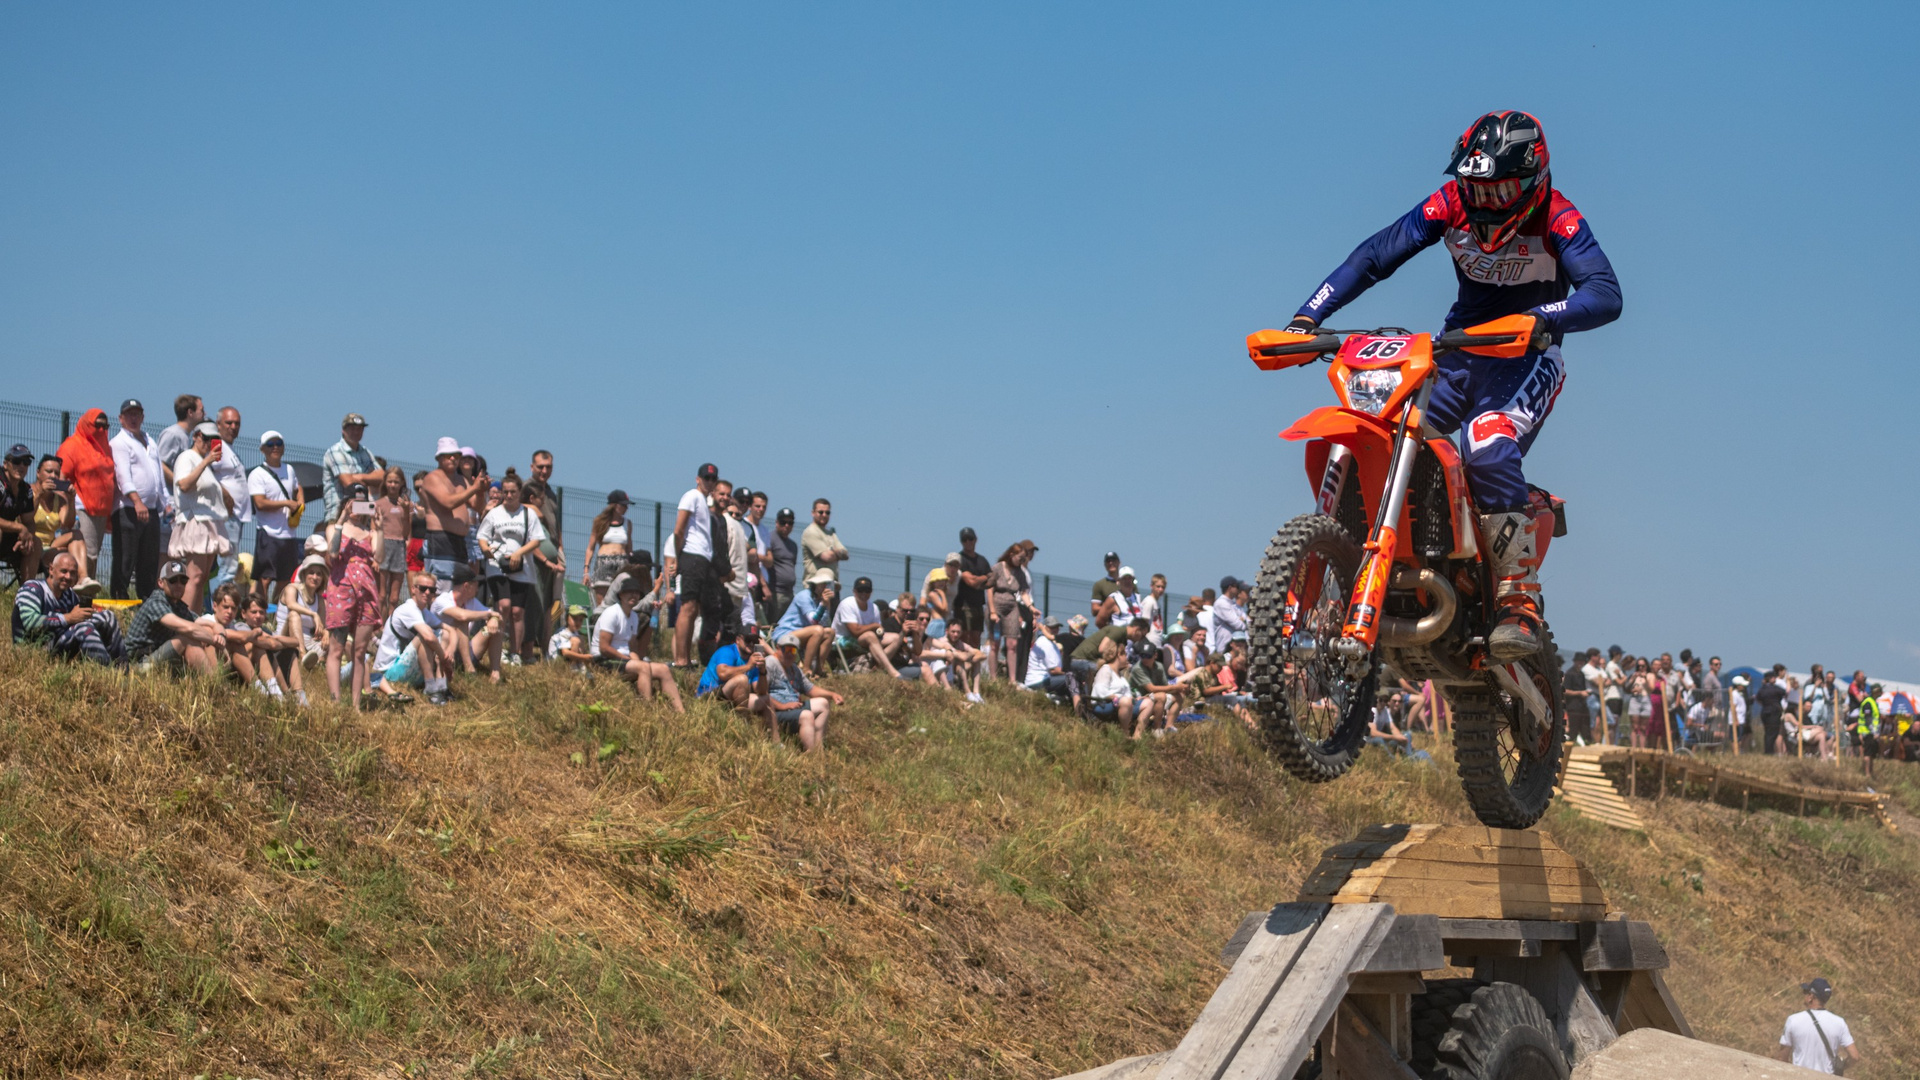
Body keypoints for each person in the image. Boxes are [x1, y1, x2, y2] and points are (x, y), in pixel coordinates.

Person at [1284, 112, 1621, 660]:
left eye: (1500, 189)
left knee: (1486, 440)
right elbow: (1374, 256)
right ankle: (1368, 569)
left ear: (1533, 180)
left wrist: (1543, 318)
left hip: (1527, 357)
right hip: (1457, 353)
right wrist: (1306, 317)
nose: (1486, 201)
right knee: (1385, 434)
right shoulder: (1449, 204)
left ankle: (1519, 598)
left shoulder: (1558, 217)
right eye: (1477, 186)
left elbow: (1605, 293)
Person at [476, 472, 557, 665]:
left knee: (517, 612)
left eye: (513, 492)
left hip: (521, 568)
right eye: (505, 492)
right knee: (503, 606)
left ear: (519, 492)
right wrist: (486, 549)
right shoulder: (495, 513)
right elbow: (482, 536)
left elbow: (536, 539)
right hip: (497, 565)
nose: (509, 495)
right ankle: (498, 649)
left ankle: (514, 652)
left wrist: (519, 553)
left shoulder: (528, 514)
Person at [323, 493, 386, 709]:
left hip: (366, 591)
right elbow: (333, 553)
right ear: (346, 503)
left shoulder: (370, 533)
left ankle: (356, 705)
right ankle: (335, 703)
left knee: (360, 651)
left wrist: (380, 529)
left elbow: (379, 557)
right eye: (355, 502)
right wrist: (341, 520)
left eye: (363, 503)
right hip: (341, 588)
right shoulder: (333, 527)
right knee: (336, 648)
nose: (359, 507)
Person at [167, 421, 236, 613]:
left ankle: (194, 617)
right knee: (195, 575)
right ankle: (186, 618)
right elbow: (184, 484)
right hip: (195, 519)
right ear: (196, 436)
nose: (209, 443)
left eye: (214, 439)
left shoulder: (204, 463)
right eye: (206, 438)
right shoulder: (187, 457)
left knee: (202, 577)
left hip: (208, 521)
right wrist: (207, 461)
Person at [11, 551, 124, 665]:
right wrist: (68, 618)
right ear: (51, 569)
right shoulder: (32, 588)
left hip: (59, 642)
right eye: (64, 571)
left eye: (73, 573)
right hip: (35, 649)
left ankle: (122, 667)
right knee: (84, 628)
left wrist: (86, 615)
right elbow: (30, 622)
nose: (68, 577)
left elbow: (76, 620)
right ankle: (104, 668)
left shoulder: (69, 594)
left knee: (108, 616)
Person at [593, 575, 686, 710]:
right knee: (643, 667)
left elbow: (633, 648)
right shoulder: (612, 613)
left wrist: (636, 660)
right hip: (603, 660)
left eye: (636, 593)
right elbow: (604, 648)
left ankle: (680, 711)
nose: (634, 595)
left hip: (623, 660)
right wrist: (627, 659)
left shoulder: (634, 617)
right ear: (621, 595)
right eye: (629, 592)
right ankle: (647, 710)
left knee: (663, 669)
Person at [109, 398, 168, 601]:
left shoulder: (150, 441)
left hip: (150, 509)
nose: (133, 418)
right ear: (121, 418)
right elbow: (122, 475)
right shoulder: (119, 443)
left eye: (136, 414)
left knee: (149, 558)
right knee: (126, 556)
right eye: (129, 415)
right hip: (128, 508)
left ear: (143, 417)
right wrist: (136, 501)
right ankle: (119, 597)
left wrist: (166, 503)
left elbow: (158, 475)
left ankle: (146, 599)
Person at [125, 560, 224, 673]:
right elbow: (188, 628)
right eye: (173, 580)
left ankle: (215, 678)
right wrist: (214, 640)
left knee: (205, 631)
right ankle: (213, 680)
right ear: (160, 583)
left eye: (183, 581)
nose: (178, 585)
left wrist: (220, 635)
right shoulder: (156, 602)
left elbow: (210, 624)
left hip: (157, 659)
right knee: (186, 638)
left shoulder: (178, 606)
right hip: (136, 664)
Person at [670, 463, 724, 667]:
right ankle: (680, 660)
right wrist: (677, 557)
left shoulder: (704, 501)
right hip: (691, 556)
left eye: (713, 478)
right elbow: (679, 530)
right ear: (698, 478)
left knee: (694, 610)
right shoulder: (691, 496)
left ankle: (685, 658)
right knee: (688, 607)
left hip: (702, 559)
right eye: (706, 478)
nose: (709, 481)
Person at [56, 408, 117, 590]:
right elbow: (60, 477)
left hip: (101, 510)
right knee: (86, 554)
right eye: (97, 426)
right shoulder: (72, 446)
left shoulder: (104, 447)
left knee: (93, 555)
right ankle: (76, 594)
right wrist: (65, 506)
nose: (102, 430)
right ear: (86, 424)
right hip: (81, 506)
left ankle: (87, 595)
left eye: (105, 426)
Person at [369, 572, 451, 706]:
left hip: (406, 669)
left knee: (443, 633)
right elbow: (429, 637)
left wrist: (449, 652)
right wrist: (444, 658)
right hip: (390, 673)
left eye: (432, 590)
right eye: (423, 588)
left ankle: (442, 686)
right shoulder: (408, 609)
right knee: (425, 635)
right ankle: (431, 688)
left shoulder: (424, 612)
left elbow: (449, 630)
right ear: (413, 589)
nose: (427, 593)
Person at [418, 437, 488, 590]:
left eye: (456, 455)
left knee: (459, 590)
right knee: (443, 590)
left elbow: (477, 506)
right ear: (439, 457)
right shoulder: (432, 478)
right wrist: (474, 488)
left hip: (460, 543)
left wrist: (481, 491)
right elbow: (447, 502)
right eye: (448, 455)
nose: (453, 458)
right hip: (440, 541)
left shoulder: (461, 480)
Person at [246, 431, 306, 606]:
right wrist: (286, 503)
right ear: (262, 449)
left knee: (285, 578)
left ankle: (276, 611)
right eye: (270, 444)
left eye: (278, 444)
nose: (275, 448)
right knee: (265, 578)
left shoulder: (289, 469)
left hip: (288, 533)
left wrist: (300, 503)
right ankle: (260, 610)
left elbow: (298, 487)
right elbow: (260, 503)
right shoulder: (257, 474)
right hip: (268, 532)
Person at [750, 641, 844, 752]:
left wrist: (832, 694)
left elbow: (810, 689)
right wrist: (783, 706)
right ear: (778, 648)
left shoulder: (794, 668)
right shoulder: (770, 662)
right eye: (787, 649)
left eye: (793, 650)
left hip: (794, 707)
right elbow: (762, 693)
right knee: (806, 715)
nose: (790, 654)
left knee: (823, 703)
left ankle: (819, 748)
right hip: (776, 712)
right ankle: (811, 753)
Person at [432, 564, 504, 681]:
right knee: (461, 622)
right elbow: (462, 616)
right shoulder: (442, 600)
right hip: (444, 652)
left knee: (495, 631)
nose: (478, 589)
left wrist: (494, 619)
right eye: (476, 585)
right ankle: (469, 669)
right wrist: (489, 615)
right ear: (466, 586)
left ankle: (495, 673)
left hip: (465, 651)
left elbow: (496, 615)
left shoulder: (472, 601)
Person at [1776, 978, 1857, 1074]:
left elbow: (1781, 1057)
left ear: (1811, 996)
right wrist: (1842, 1067)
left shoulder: (1793, 1020)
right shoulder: (1839, 1023)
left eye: (1805, 992)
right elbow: (1855, 1057)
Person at [772, 571, 838, 676]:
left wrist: (827, 604)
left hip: (805, 633)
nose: (825, 587)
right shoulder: (804, 596)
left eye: (828, 584)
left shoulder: (820, 599)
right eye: (822, 584)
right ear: (816, 584)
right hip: (785, 633)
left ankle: (818, 668)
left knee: (830, 632)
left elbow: (825, 623)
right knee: (817, 630)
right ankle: (806, 669)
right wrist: (823, 604)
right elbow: (813, 621)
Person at [832, 576, 900, 677]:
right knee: (869, 636)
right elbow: (855, 631)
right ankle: (891, 671)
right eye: (860, 590)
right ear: (854, 591)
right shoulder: (847, 604)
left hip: (864, 640)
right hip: (842, 640)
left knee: (896, 638)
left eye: (867, 591)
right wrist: (874, 626)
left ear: (871, 592)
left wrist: (878, 630)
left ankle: (878, 667)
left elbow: (878, 631)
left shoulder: (874, 608)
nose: (863, 594)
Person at [321, 413, 382, 525]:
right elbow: (349, 483)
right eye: (352, 428)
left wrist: (359, 477)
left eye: (360, 429)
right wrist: (370, 479)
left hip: (362, 515)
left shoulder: (365, 452)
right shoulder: (335, 451)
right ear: (343, 430)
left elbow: (383, 477)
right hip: (338, 515)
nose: (356, 432)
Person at [990, 540, 1038, 682]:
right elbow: (989, 588)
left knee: (1013, 644)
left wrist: (1031, 607)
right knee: (995, 643)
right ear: (1012, 554)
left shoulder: (1021, 573)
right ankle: (993, 678)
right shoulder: (998, 568)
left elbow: (1024, 592)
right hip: (998, 605)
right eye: (1020, 558)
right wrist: (992, 611)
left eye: (1024, 558)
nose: (1022, 561)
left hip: (1013, 607)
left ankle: (1013, 680)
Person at [276, 555, 329, 683]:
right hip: (285, 638)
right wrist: (313, 614)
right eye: (311, 573)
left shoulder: (320, 600)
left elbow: (322, 626)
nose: (315, 577)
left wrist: (326, 633)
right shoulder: (291, 588)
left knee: (333, 639)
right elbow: (291, 604)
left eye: (319, 574)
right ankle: (302, 656)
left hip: (309, 641)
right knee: (294, 614)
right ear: (304, 574)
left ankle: (321, 665)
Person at [29, 455, 80, 583]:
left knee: (76, 535)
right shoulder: (28, 491)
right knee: (61, 553)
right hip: (30, 542)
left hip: (50, 545)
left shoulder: (60, 500)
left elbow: (68, 524)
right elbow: (26, 518)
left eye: (57, 473)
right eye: (49, 471)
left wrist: (71, 500)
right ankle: (29, 587)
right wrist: (40, 493)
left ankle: (81, 580)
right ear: (38, 473)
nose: (53, 476)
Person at [0, 444, 44, 581]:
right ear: (5, 464)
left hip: (8, 538)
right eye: (16, 461)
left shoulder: (26, 490)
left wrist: (26, 537)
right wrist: (19, 528)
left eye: (26, 462)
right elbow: (21, 525)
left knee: (35, 542)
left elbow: (29, 521)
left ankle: (27, 589)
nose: (22, 466)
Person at [584, 490, 634, 606]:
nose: (626, 508)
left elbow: (629, 549)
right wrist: (586, 571)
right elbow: (590, 548)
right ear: (614, 505)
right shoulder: (600, 522)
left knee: (622, 599)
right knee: (602, 601)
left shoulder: (628, 524)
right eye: (623, 505)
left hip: (622, 563)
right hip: (604, 562)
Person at [697, 625, 764, 709]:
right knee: (742, 679)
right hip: (710, 695)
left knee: (766, 700)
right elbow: (722, 674)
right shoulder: (727, 651)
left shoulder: (753, 659)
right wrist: (748, 666)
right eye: (748, 640)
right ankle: (743, 716)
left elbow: (760, 691)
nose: (751, 644)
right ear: (738, 640)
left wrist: (763, 671)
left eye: (755, 641)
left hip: (731, 697)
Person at [953, 528, 992, 667]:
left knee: (976, 637)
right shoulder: (959, 559)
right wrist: (984, 577)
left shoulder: (982, 560)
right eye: (964, 540)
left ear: (975, 540)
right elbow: (971, 582)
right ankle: (962, 667)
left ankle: (974, 668)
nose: (968, 542)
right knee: (964, 637)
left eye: (970, 539)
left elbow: (992, 581)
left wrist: (978, 580)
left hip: (978, 604)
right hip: (963, 605)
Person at [800, 498, 849, 584]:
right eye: (821, 512)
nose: (824, 515)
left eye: (827, 513)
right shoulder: (811, 532)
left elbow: (846, 554)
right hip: (815, 585)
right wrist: (837, 553)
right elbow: (827, 557)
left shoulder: (831, 533)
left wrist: (833, 551)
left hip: (832, 584)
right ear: (813, 513)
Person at [1025, 615, 1072, 703]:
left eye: (1057, 627)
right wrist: (1071, 673)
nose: (1055, 629)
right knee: (1071, 679)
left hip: (1044, 680)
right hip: (1038, 681)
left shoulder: (1052, 643)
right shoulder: (1044, 642)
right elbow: (1053, 670)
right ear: (1045, 627)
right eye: (1052, 627)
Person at [766, 507, 801, 623]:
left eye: (790, 523)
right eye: (783, 522)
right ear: (777, 522)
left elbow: (792, 565)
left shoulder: (793, 545)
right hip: (775, 592)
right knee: (772, 624)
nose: (786, 525)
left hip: (789, 593)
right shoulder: (770, 539)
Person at [1208, 577, 1250, 657]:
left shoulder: (1233, 605)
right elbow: (1238, 625)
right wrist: (1243, 622)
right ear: (1230, 588)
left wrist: (1243, 621)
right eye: (1236, 587)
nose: (1238, 589)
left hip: (1235, 647)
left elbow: (1248, 622)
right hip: (1224, 648)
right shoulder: (1221, 603)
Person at [547, 604, 595, 671]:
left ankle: (581, 665)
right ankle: (573, 668)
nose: (578, 622)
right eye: (575, 619)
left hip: (564, 658)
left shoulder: (575, 632)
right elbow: (565, 652)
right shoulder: (563, 633)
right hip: (556, 661)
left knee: (580, 638)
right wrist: (584, 657)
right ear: (567, 619)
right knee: (576, 641)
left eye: (580, 620)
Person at [1757, 670, 1789, 755]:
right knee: (1773, 733)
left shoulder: (1762, 689)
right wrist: (1788, 681)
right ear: (1771, 678)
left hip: (1765, 711)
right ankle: (1769, 752)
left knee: (1767, 732)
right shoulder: (1775, 689)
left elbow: (1758, 699)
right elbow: (1786, 692)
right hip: (1774, 712)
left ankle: (1768, 750)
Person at [1088, 552, 1124, 617]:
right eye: (1108, 561)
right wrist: (1112, 609)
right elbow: (1094, 609)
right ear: (1104, 565)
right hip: (1109, 622)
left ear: (1119, 563)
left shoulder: (1128, 583)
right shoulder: (1099, 585)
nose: (1111, 563)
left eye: (1114, 560)